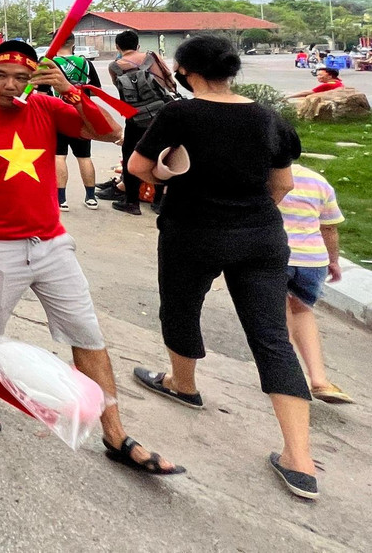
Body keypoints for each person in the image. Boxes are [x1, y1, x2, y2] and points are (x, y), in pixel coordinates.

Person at [0, 40, 182, 478]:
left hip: (52, 244)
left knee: (86, 333)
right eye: (1, 76)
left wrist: (71, 89)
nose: (10, 86)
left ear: (33, 76)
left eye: (20, 77)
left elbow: (109, 132)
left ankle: (115, 433)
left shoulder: (48, 110)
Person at [127, 35, 317, 500]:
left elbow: (137, 166)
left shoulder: (180, 114)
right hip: (261, 236)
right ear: (233, 70)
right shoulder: (270, 118)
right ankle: (301, 460)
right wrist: (248, 214)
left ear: (183, 70)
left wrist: (165, 177)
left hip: (193, 232)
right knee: (272, 337)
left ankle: (183, 384)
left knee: (181, 307)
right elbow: (283, 183)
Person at [278, 164, 352, 405]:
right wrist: (334, 261)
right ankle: (319, 379)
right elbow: (329, 227)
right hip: (312, 261)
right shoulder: (318, 182)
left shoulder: (265, 177)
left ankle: (285, 374)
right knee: (302, 310)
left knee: (279, 313)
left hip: (278, 255)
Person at [108, 30, 178, 216]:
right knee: (161, 156)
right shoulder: (152, 57)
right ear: (138, 45)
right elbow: (169, 80)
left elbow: (122, 92)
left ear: (117, 47)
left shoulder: (115, 66)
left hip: (135, 118)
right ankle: (159, 202)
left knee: (131, 155)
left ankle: (131, 202)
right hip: (161, 114)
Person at [38, 32, 102, 211]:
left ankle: (61, 200)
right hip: (82, 116)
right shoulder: (86, 63)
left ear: (54, 44)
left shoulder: (49, 64)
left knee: (59, 156)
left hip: (58, 117)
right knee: (84, 156)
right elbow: (96, 91)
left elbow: (41, 95)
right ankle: (91, 198)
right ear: (73, 44)